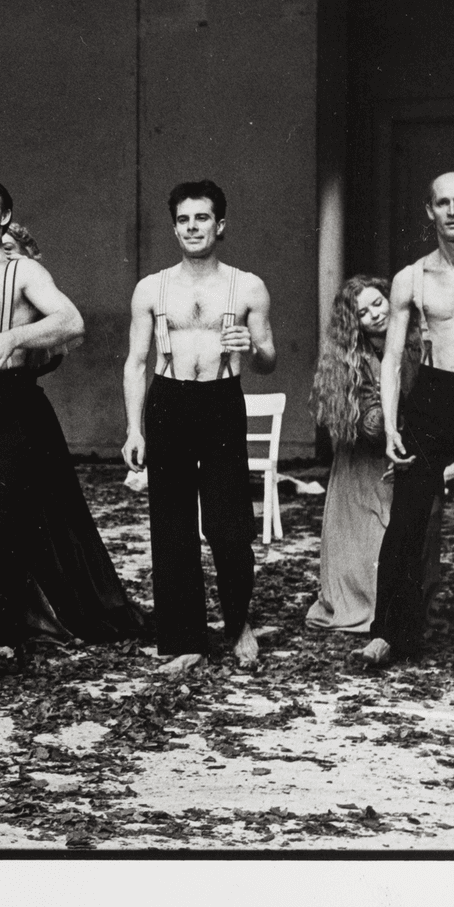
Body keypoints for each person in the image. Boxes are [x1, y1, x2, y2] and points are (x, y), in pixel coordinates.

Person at [0, 181, 148, 661]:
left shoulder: (22, 273)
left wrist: (15, 338)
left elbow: (72, 322)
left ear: (3, 217)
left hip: (5, 400)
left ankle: (5, 636)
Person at [354, 172, 454, 668]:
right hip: (430, 397)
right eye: (442, 203)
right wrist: (392, 424)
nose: (451, 211)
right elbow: (391, 356)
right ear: (429, 211)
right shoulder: (411, 277)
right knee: (405, 520)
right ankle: (389, 634)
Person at [122, 180, 276, 674]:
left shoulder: (246, 285)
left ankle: (237, 624)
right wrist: (133, 429)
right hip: (168, 402)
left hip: (220, 401)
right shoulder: (152, 287)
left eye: (202, 218)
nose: (192, 227)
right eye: (184, 219)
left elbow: (269, 359)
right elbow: (135, 363)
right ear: (175, 227)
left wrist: (250, 346)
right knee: (171, 524)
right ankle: (184, 638)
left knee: (229, 527)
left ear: (220, 224)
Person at [306, 275, 442, 632]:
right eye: (363, 312)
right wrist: (388, 406)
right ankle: (372, 609)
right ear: (354, 323)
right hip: (365, 463)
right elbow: (368, 421)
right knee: (367, 540)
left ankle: (408, 611)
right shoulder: (349, 359)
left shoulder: (418, 342)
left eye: (378, 303)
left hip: (416, 451)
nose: (375, 315)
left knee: (422, 528)